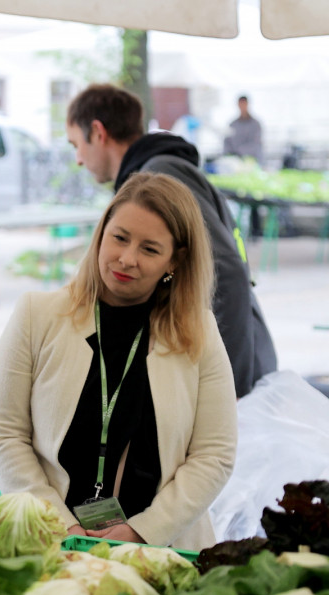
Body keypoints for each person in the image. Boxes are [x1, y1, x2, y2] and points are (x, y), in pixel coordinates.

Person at [0, 172, 237, 551]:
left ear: (175, 261)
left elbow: (214, 454)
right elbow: (4, 433)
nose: (127, 259)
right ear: (102, 232)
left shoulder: (198, 331)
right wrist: (60, 527)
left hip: (162, 550)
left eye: (150, 249)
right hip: (52, 544)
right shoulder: (38, 315)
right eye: (119, 238)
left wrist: (144, 532)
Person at [65, 83, 277, 398]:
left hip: (235, 374)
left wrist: (227, 395)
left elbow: (226, 271)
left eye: (75, 144)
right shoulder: (157, 172)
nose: (79, 159)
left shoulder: (163, 175)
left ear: (97, 132)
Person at [224, 95, 263, 164]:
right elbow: (227, 142)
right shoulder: (233, 124)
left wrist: (240, 151)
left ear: (247, 104)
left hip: (252, 160)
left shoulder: (256, 124)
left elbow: (256, 144)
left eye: (244, 104)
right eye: (240, 104)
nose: (242, 107)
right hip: (235, 160)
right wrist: (230, 155)